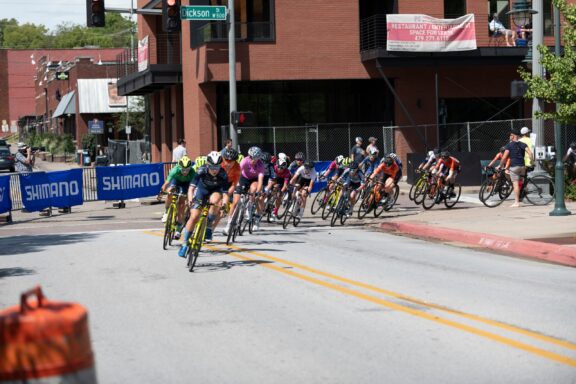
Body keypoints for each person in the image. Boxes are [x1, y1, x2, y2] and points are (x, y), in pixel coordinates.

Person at [178, 151, 229, 257]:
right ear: (207, 165)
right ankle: (184, 244)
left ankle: (209, 226)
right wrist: (191, 200)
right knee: (194, 216)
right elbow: (191, 188)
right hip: (202, 191)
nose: (215, 170)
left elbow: (225, 194)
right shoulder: (201, 170)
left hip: (215, 191)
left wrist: (224, 205)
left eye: (217, 167)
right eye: (212, 167)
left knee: (215, 201)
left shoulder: (223, 174)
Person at [223, 146, 265, 235]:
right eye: (252, 158)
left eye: (256, 159)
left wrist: (258, 192)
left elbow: (260, 180)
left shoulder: (261, 165)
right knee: (235, 202)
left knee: (254, 189)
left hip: (254, 180)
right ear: (249, 156)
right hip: (242, 178)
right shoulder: (244, 161)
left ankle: (249, 207)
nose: (253, 160)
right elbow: (237, 173)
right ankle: (228, 224)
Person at [160, 156, 196, 239]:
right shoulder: (175, 170)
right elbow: (166, 183)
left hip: (186, 184)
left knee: (182, 204)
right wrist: (161, 192)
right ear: (179, 167)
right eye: (183, 169)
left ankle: (179, 228)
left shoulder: (192, 173)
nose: (185, 172)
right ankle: (166, 212)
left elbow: (194, 187)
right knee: (170, 191)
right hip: (176, 181)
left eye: (187, 169)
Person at [498, 129, 534, 207]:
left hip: (514, 167)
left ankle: (516, 202)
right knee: (520, 181)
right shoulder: (523, 144)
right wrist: (532, 162)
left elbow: (504, 157)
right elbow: (530, 153)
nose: (509, 136)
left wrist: (500, 165)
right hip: (522, 167)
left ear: (514, 136)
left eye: (511, 135)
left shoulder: (509, 145)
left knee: (515, 184)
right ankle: (524, 190)